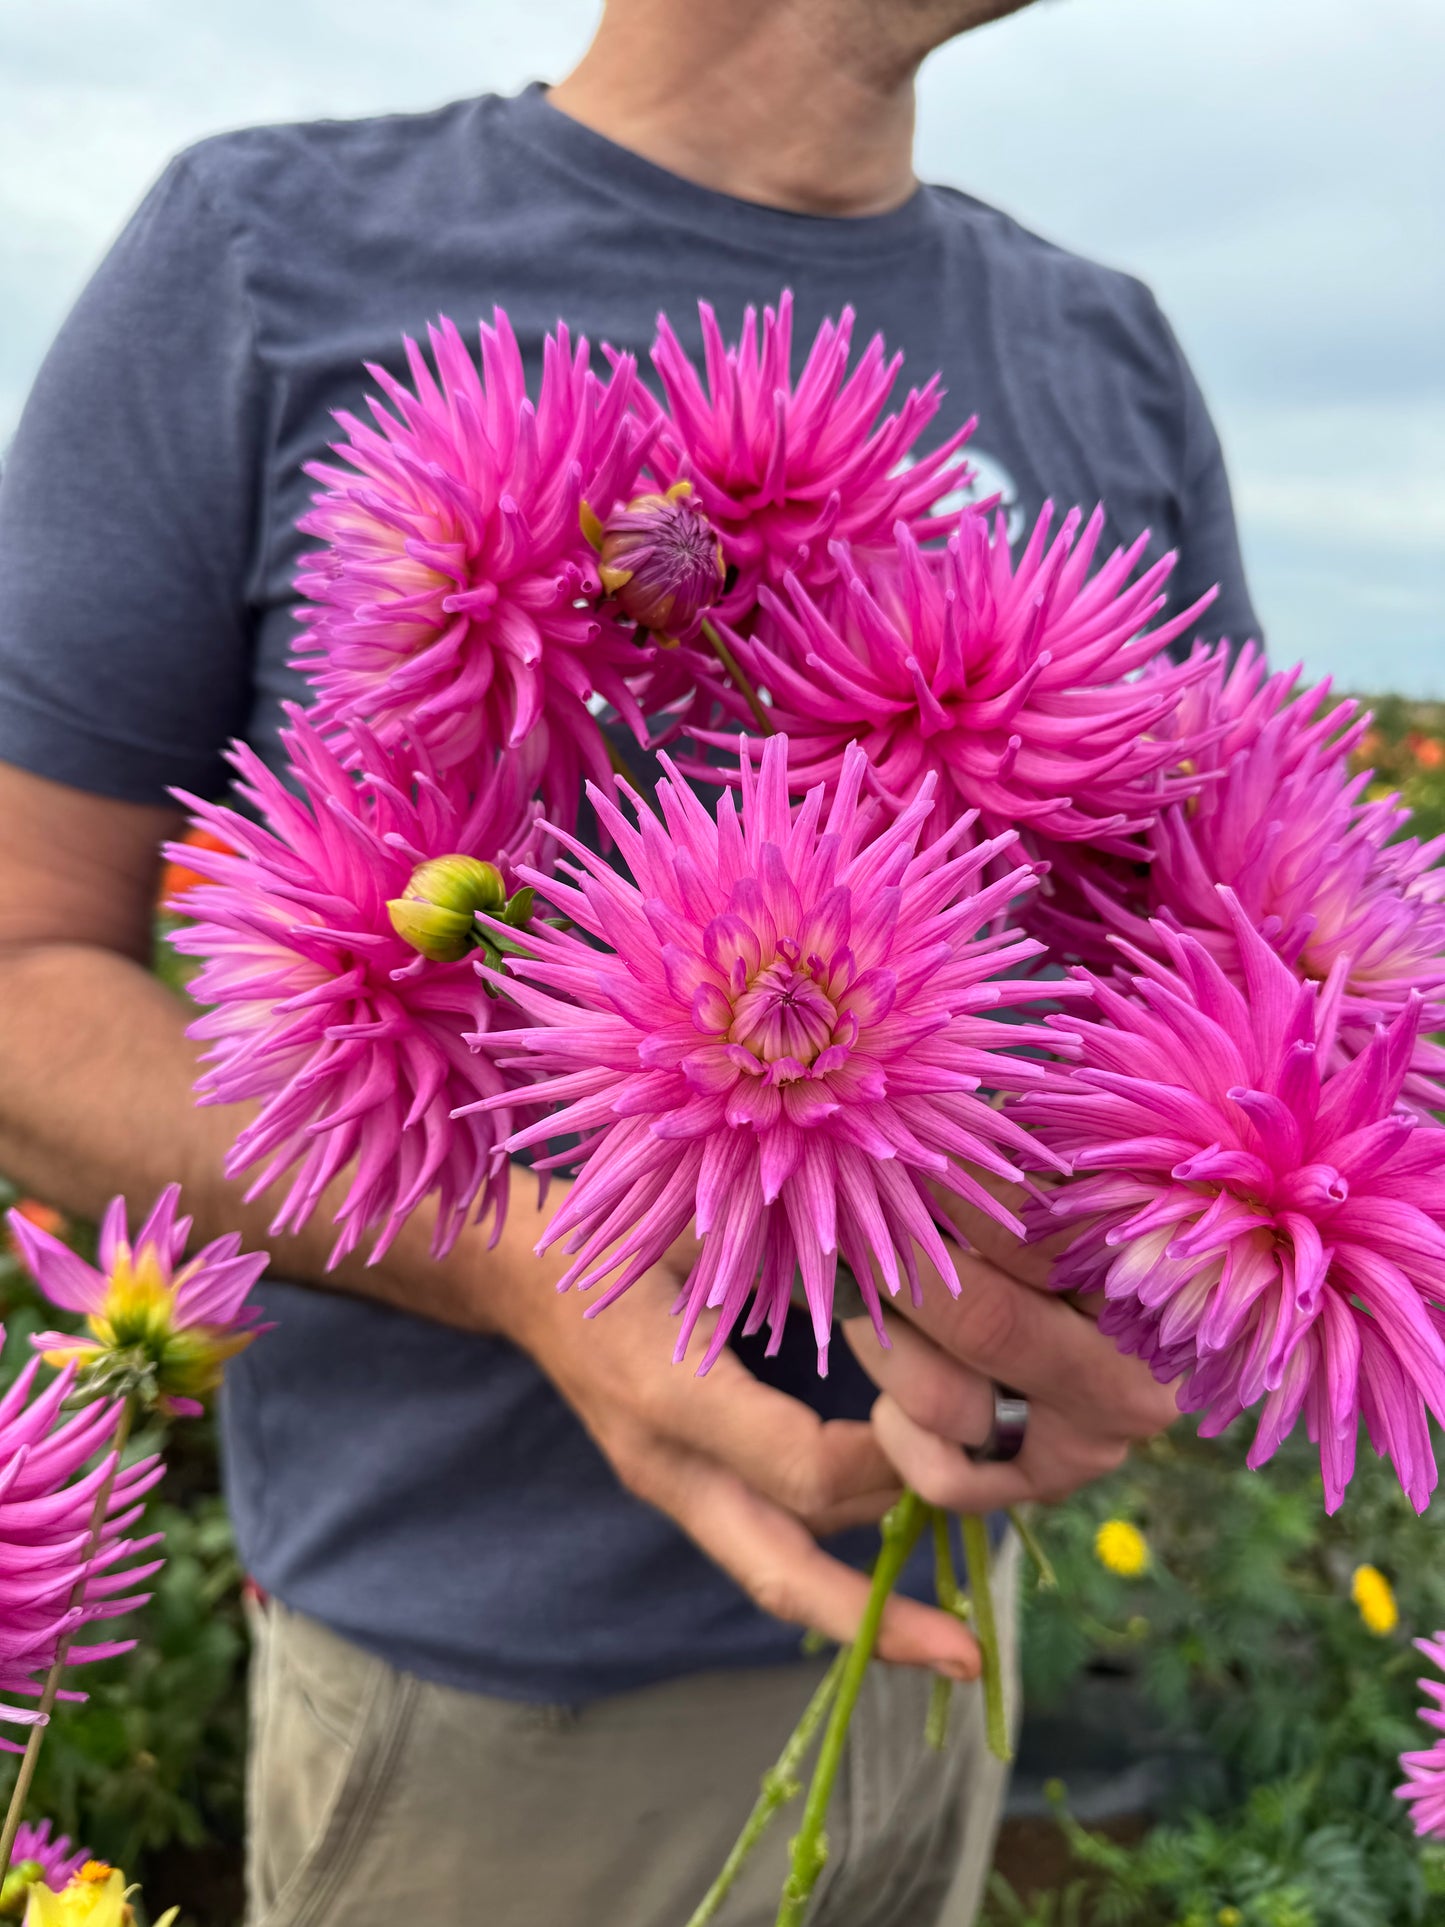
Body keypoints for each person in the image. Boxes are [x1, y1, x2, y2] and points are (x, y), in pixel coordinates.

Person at [0, 2, 1258, 1922]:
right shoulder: (262, 252)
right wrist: (532, 1270)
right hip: (494, 1727)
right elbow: (19, 975)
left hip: (944, 1659)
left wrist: (1159, 1297)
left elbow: (1225, 922)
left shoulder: (1105, 345)